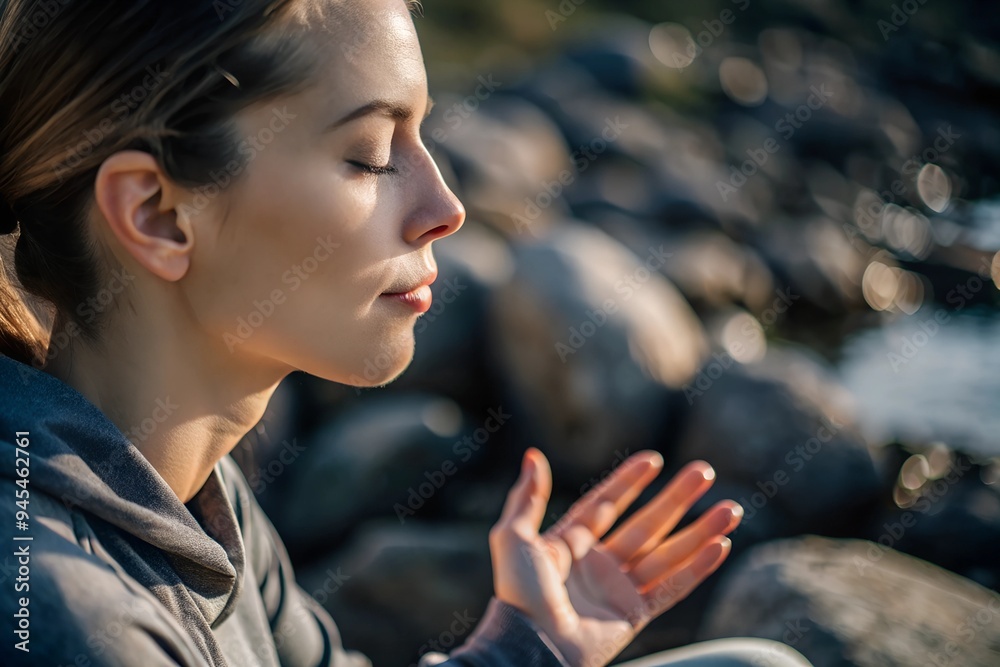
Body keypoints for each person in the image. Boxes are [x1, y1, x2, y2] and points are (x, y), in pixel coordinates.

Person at [0, 1, 813, 665]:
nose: (446, 208)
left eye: (423, 136)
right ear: (158, 213)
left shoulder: (197, 490)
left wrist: (524, 647)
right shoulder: (68, 617)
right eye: (369, 153)